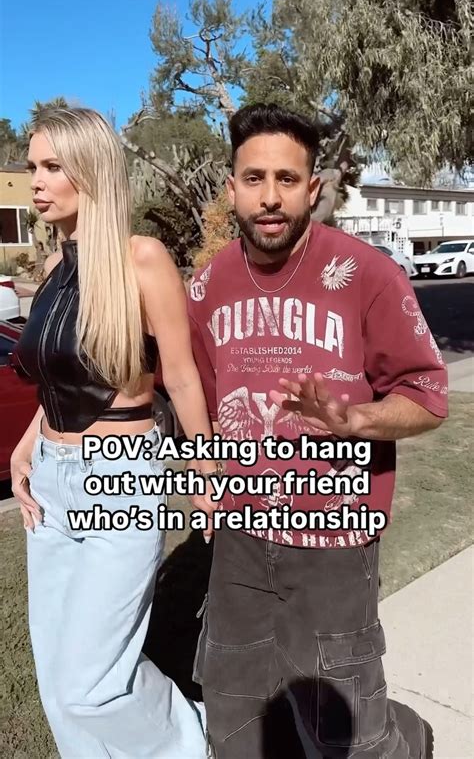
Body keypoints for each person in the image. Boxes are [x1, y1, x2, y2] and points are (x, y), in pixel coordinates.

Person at [188, 103, 448, 758]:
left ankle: (408, 741)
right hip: (241, 539)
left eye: (286, 178)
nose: (270, 197)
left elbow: (428, 396)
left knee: (346, 732)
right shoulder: (208, 286)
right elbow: (202, 400)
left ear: (313, 188)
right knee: (234, 713)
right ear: (232, 188)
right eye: (254, 178)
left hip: (335, 540)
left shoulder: (368, 275)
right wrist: (203, 468)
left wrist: (355, 419)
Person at [11, 107, 217, 759]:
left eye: (52, 166)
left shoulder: (142, 259)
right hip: (50, 482)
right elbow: (57, 382)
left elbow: (180, 378)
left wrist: (206, 474)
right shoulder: (52, 270)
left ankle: (189, 738)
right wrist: (25, 449)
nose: (35, 180)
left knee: (89, 685)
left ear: (92, 171)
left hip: (119, 474)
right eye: (32, 165)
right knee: (56, 672)